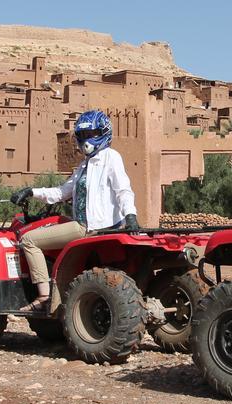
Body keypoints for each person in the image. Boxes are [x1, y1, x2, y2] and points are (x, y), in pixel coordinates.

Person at [9, 109, 139, 312]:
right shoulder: (84, 166)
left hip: (87, 227)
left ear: (103, 133)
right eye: (83, 136)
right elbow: (62, 192)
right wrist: (32, 191)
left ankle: (44, 295)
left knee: (28, 240)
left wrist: (130, 215)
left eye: (91, 135)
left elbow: (123, 190)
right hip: (86, 226)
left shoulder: (110, 158)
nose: (86, 140)